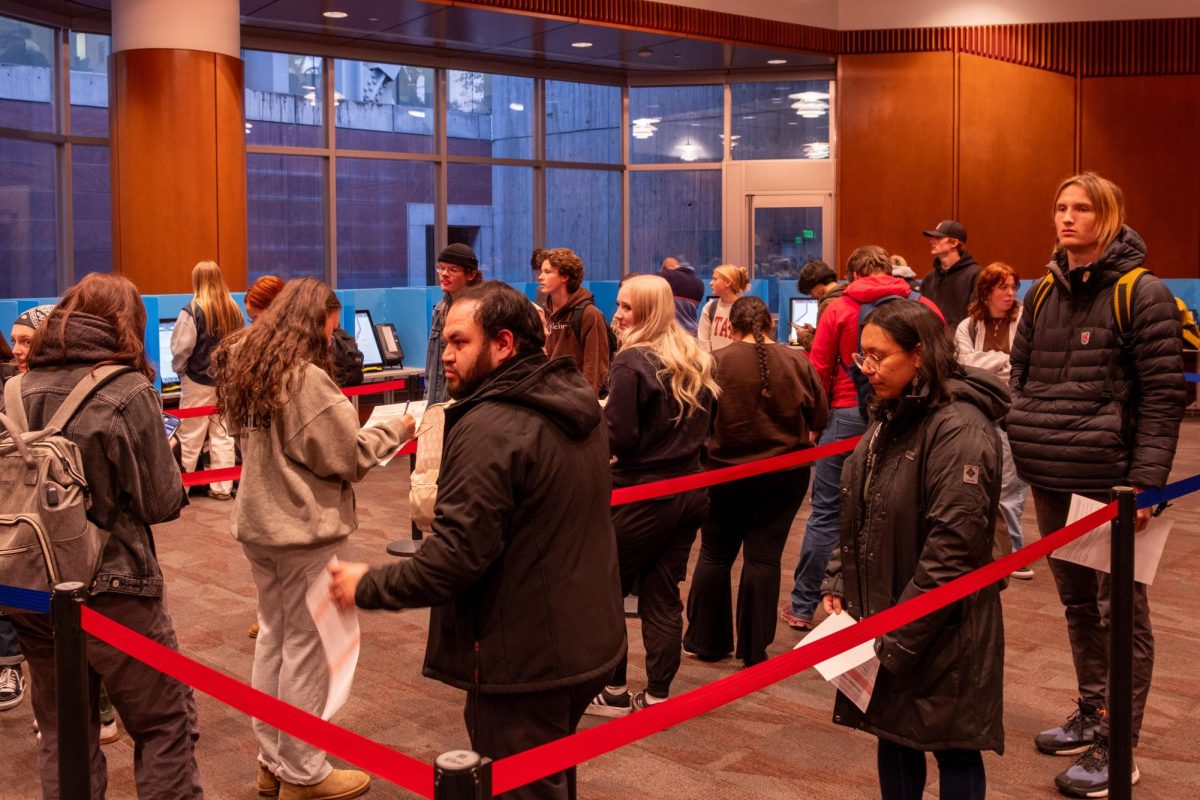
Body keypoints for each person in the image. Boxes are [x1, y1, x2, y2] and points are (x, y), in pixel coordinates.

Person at [327, 281, 625, 800]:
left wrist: (367, 585)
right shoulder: (573, 398)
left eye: (460, 342)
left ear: (504, 343)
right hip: (583, 640)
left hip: (526, 657)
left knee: (520, 786)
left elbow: (454, 558)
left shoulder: (492, 425)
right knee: (548, 776)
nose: (445, 356)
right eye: (445, 342)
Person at [1007, 172, 1184, 797]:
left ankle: (1119, 746)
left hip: (1114, 485)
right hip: (1052, 474)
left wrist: (1146, 485)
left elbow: (1163, 398)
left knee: (1121, 615)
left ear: (1108, 217)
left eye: (1082, 208)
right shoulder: (1041, 293)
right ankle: (1094, 711)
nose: (1068, 218)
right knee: (1079, 606)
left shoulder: (1145, 293)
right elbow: (1021, 377)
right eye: (1060, 207)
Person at [211, 278, 413, 800]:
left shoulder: (252, 369)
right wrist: (399, 428)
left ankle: (274, 762)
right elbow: (346, 455)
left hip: (261, 528)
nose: (335, 335)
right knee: (306, 649)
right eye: (331, 323)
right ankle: (303, 772)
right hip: (302, 531)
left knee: (277, 642)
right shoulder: (304, 381)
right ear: (313, 320)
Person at [5, 273, 202, 798]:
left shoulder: (15, 387)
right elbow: (160, 504)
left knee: (64, 734)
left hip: (29, 583)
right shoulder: (126, 388)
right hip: (113, 585)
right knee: (165, 724)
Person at [821, 299, 1006, 800]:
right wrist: (839, 577)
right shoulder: (892, 412)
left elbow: (955, 549)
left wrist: (897, 637)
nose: (868, 369)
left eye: (880, 357)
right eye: (862, 357)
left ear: (919, 355)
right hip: (892, 609)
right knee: (895, 735)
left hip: (942, 623)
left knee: (953, 745)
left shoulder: (960, 428)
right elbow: (861, 506)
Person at [783, 246, 943, 631]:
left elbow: (818, 370)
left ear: (852, 274)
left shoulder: (838, 308)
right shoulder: (924, 305)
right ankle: (882, 607)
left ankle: (804, 606)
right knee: (898, 509)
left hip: (845, 414)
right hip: (912, 416)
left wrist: (815, 425)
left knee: (825, 513)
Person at [587, 274, 717, 715]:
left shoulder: (632, 361)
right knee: (662, 595)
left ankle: (615, 690)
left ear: (647, 311)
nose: (616, 315)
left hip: (641, 495)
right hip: (689, 491)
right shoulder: (693, 356)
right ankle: (658, 694)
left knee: (606, 590)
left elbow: (618, 435)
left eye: (626, 308)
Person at [684, 295, 827, 668]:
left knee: (715, 554)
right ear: (770, 326)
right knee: (764, 559)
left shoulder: (714, 363)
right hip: (784, 478)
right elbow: (820, 419)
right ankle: (754, 648)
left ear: (730, 328)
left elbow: (696, 424)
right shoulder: (798, 361)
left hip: (722, 476)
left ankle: (706, 641)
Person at [955, 261, 1032, 579]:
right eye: (1003, 287)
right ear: (986, 291)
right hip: (980, 411)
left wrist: (989, 363)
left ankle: (1012, 551)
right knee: (980, 480)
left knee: (1012, 484)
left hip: (1018, 410)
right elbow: (965, 365)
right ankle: (994, 547)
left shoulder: (1027, 318)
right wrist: (1003, 362)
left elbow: (1024, 363)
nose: (1010, 293)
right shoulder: (968, 325)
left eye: (1014, 286)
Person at [171, 260, 244, 500]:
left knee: (191, 435)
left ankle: (184, 486)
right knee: (223, 434)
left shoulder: (192, 309)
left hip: (197, 380)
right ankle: (221, 487)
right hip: (226, 381)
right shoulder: (233, 308)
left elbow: (182, 347)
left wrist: (180, 370)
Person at [539, 247, 611, 394]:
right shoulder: (543, 313)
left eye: (547, 272)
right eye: (541, 271)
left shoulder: (589, 314)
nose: (540, 277)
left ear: (565, 276)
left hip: (575, 402)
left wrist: (585, 405)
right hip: (548, 398)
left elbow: (595, 369)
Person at [426, 243, 482, 403]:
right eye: (441, 268)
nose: (444, 274)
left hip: (469, 400)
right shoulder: (440, 309)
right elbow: (432, 367)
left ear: (470, 275)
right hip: (440, 402)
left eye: (453, 269)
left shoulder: (482, 309)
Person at [920, 220, 980, 330]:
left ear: (954, 243)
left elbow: (976, 315)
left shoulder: (975, 275)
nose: (932, 241)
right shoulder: (929, 278)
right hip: (934, 341)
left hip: (962, 342)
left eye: (938, 238)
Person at [793, 259, 847, 349]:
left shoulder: (827, 304)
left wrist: (802, 335)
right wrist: (814, 332)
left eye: (810, 292)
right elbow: (834, 337)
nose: (812, 296)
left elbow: (821, 348)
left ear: (815, 284)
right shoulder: (846, 295)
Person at [698, 264, 750, 353]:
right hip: (715, 364)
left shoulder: (745, 309)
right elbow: (703, 342)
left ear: (728, 283)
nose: (710, 283)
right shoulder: (710, 307)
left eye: (715, 279)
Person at [658, 255, 705, 335]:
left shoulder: (665, 276)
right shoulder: (699, 283)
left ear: (666, 268)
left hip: (672, 334)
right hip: (692, 333)